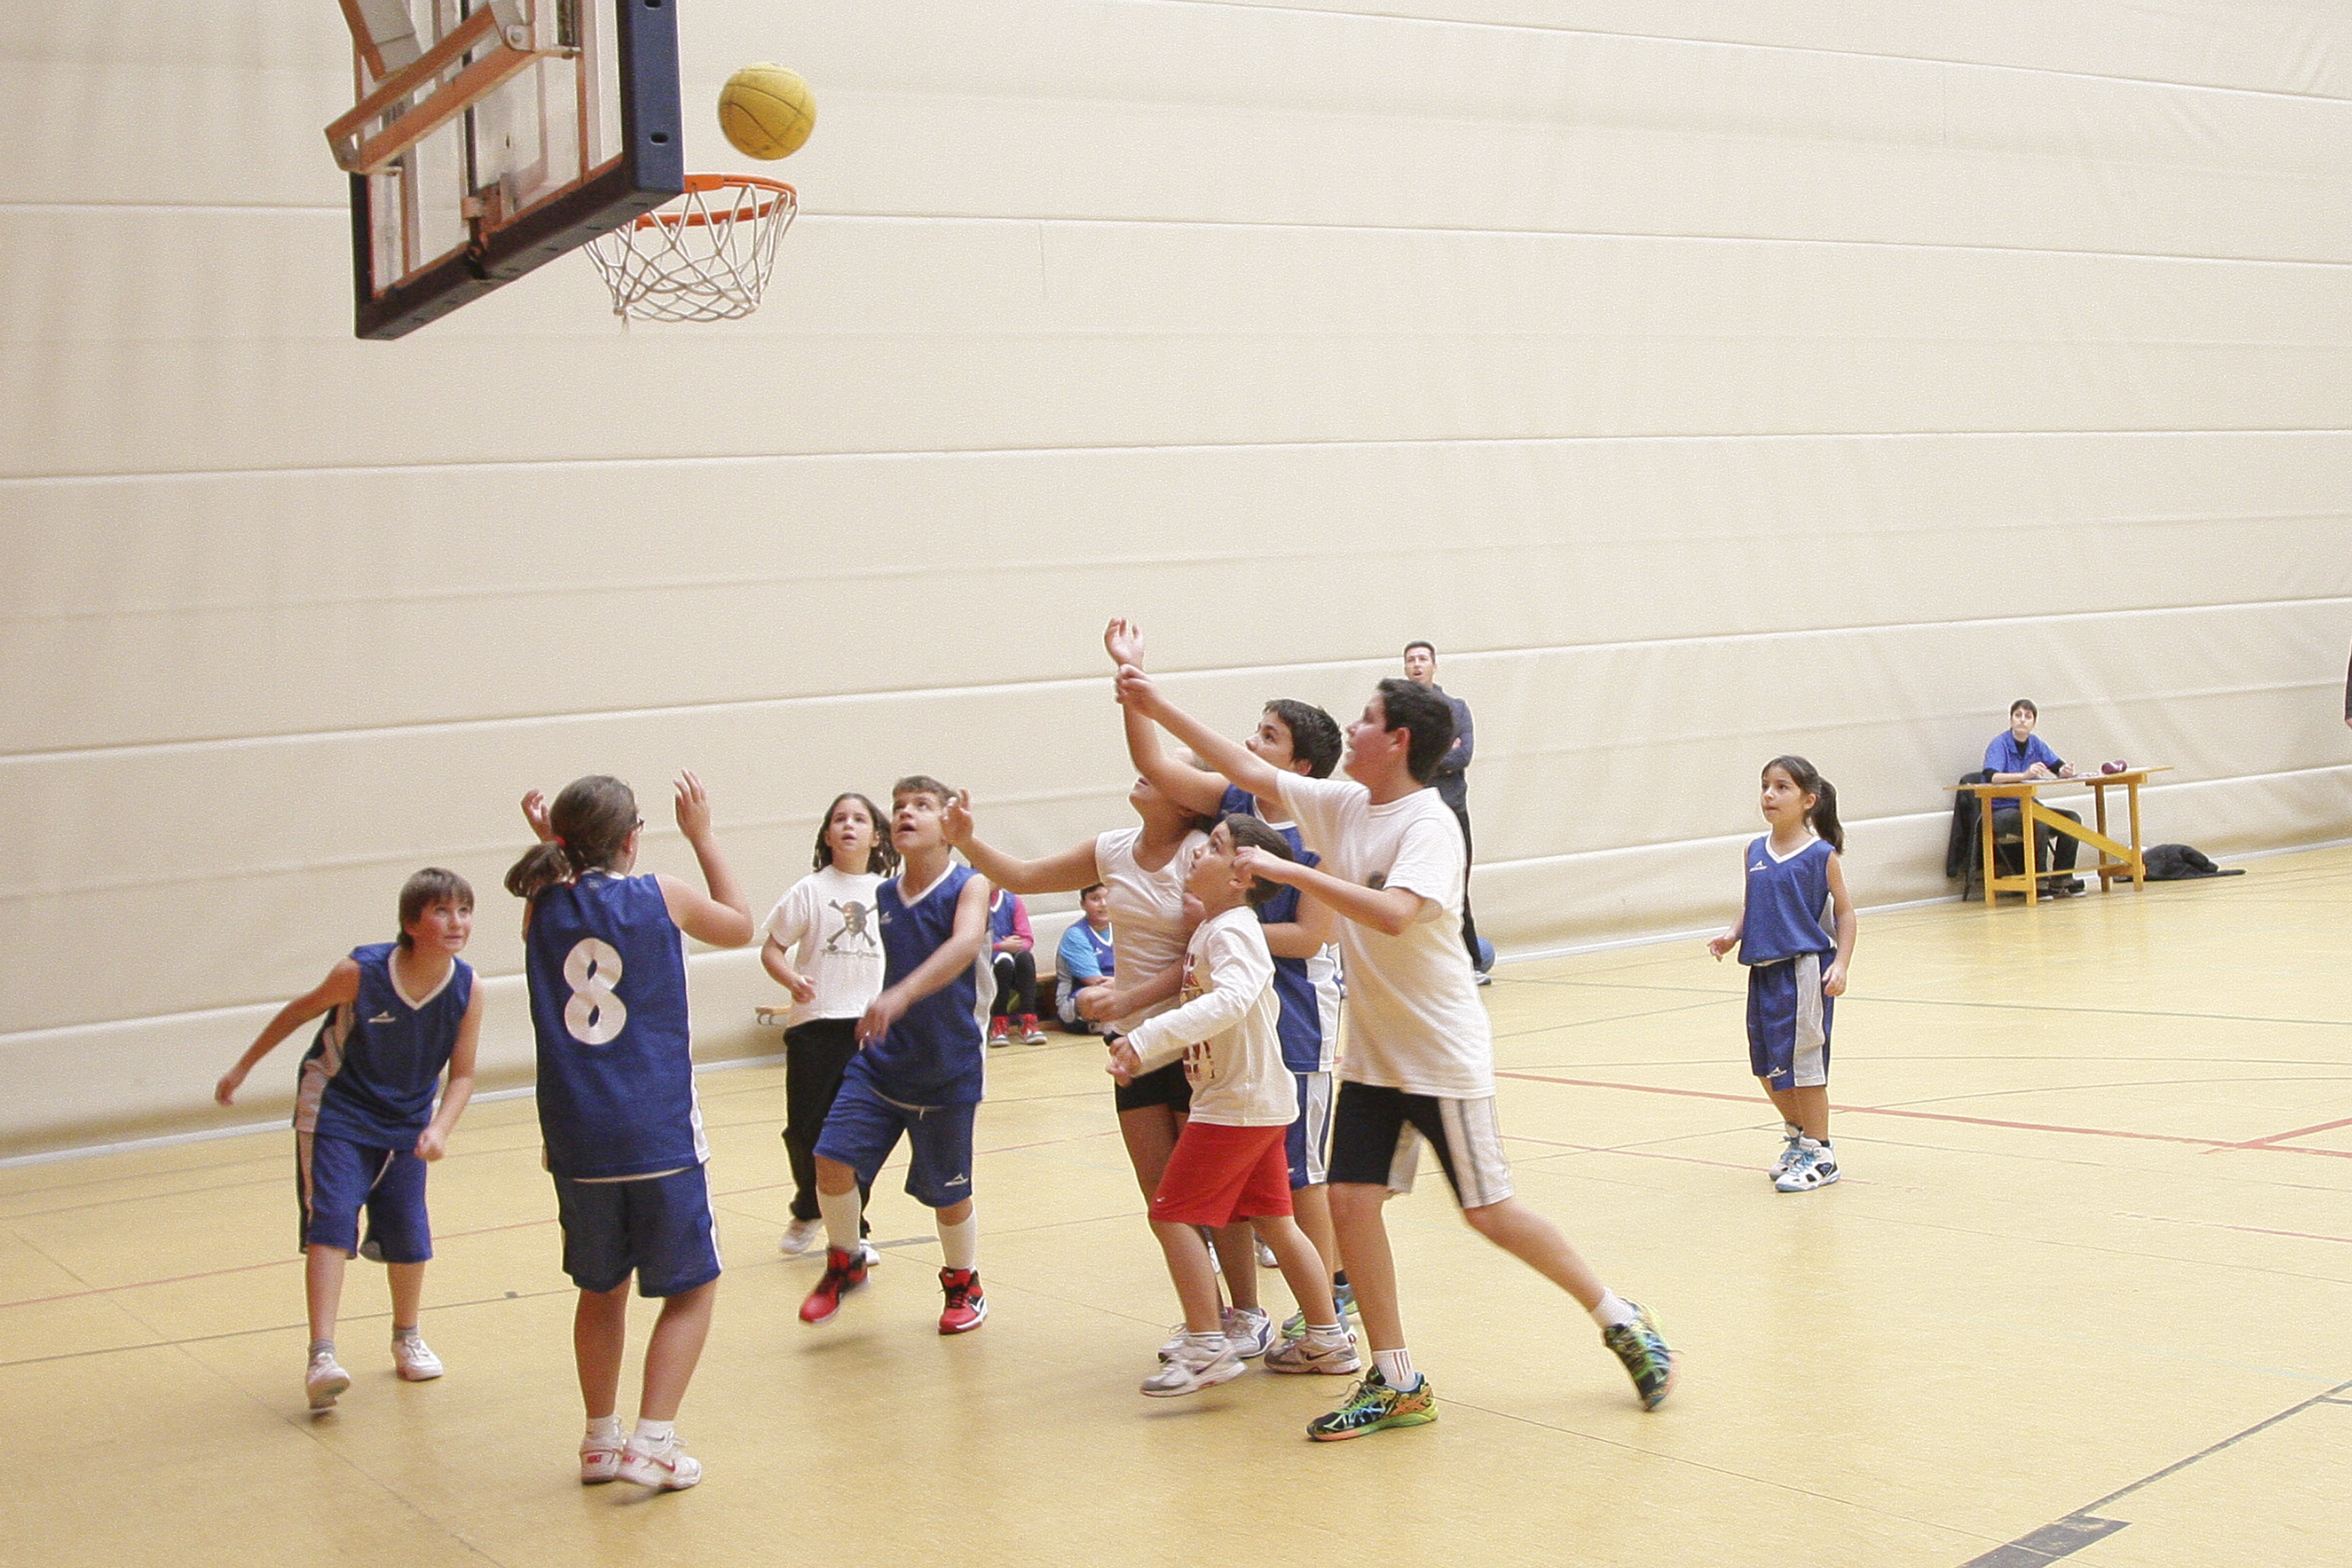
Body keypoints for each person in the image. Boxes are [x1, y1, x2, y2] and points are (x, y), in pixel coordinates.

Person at [1114, 651, 1676, 1439]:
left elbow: (1394, 913)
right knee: (1349, 1206)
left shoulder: (1429, 824)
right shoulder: (1344, 804)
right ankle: (1397, 1380)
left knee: (1490, 1212)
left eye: (1368, 719)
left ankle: (1621, 1318)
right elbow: (1245, 768)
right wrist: (1151, 696)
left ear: (1399, 740)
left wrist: (1288, 871)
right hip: (1377, 1055)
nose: (1353, 726)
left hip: (1442, 1054)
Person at [943, 776, 1279, 1352]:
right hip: (1132, 1042)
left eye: (1164, 770)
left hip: (1189, 1042)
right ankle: (1208, 1316)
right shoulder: (1113, 849)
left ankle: (1247, 1314)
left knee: (1209, 1198)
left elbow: (1201, 955)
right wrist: (968, 842)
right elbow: (1023, 876)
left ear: (1183, 798)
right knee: (1162, 1195)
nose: (1146, 773)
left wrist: (1128, 998)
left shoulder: (1202, 853)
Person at [1102, 619, 1351, 1337]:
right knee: (1262, 1184)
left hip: (1298, 1013)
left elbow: (1308, 936)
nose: (1251, 744)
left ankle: (1328, 1307)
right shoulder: (1233, 806)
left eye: (1268, 737)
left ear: (1300, 767)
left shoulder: (1320, 833)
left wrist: (1220, 929)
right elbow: (1151, 755)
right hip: (1232, 1014)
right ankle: (1267, 1313)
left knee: (1300, 1176)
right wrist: (1130, 678)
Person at [508, 772, 755, 1491]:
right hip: (655, 1129)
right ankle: (654, 1440)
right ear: (630, 838)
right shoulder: (661, 893)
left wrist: (549, 843)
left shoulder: (538, 908)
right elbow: (740, 923)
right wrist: (704, 834)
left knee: (601, 1288)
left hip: (577, 1137)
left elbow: (564, 888)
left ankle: (599, 1441)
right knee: (693, 1288)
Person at [1107, 815, 1359, 1396]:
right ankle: (1327, 1335)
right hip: (1255, 1100)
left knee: (1170, 1214)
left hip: (1236, 1104)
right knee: (1275, 1219)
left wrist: (1145, 1039)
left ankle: (1206, 1346)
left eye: (1215, 848)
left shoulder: (1233, 933)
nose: (1198, 854)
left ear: (1243, 875)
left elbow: (1234, 999)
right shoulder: (1215, 927)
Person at [214, 868, 483, 1413]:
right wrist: (242, 1069)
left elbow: (463, 1075)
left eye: (464, 911)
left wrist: (440, 1127)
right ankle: (322, 1355)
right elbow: (298, 1012)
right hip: (338, 1108)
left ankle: (406, 1336)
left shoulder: (467, 987)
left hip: (406, 1119)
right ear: (412, 923)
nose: (456, 922)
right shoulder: (360, 973)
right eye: (441, 911)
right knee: (333, 1218)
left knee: (409, 1232)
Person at [799, 776, 996, 1335]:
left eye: (922, 806)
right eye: (900, 806)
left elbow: (962, 947)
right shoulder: (884, 894)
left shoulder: (971, 885)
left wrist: (901, 994)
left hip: (947, 1066)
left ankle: (965, 1283)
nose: (906, 813)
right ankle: (847, 1259)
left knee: (947, 1194)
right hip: (884, 1059)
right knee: (832, 1158)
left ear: (948, 823)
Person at [1706, 757, 1858, 1192]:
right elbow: (1753, 902)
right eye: (1765, 786)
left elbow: (1846, 913)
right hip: (1762, 971)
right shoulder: (1754, 851)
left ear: (1808, 800)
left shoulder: (1820, 855)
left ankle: (1822, 1152)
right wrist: (1734, 933)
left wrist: (1842, 964)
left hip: (1804, 972)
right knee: (1767, 1067)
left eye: (1782, 787)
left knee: (1804, 1066)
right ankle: (1798, 1138)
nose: (1770, 795)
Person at [761, 791, 895, 1257]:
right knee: (805, 1130)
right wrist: (792, 978)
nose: (849, 826)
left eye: (860, 819)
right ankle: (808, 1207)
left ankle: (855, 1228)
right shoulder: (810, 890)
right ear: (827, 833)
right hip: (816, 1026)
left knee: (860, 1133)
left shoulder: (889, 893)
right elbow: (772, 949)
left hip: (870, 1028)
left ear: (877, 836)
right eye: (840, 819)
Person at [1404, 640, 1489, 981]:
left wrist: (1422, 759)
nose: (1417, 664)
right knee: (1408, 887)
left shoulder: (1456, 709)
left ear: (1434, 666)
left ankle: (1471, 963)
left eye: (1423, 659)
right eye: (1411, 660)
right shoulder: (1397, 713)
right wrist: (1438, 756)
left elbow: (1462, 756)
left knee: (1457, 888)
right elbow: (1398, 760)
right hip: (1411, 810)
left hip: (1452, 807)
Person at [1984, 699, 2083, 896]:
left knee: (2072, 819)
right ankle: (2039, 879)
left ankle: (2062, 878)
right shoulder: (1999, 744)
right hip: (2000, 810)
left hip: (2028, 806)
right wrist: (2024, 776)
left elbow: (2057, 766)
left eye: (2028, 717)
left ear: (2034, 722)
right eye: (2018, 715)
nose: (2022, 720)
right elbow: (1991, 776)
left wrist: (2066, 771)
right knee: (2039, 823)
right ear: (2011, 719)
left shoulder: (2035, 743)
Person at [986, 888, 1049, 1045]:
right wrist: (1001, 946)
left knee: (1025, 958)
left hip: (1010, 952)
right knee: (1004, 963)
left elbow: (1026, 938)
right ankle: (999, 1022)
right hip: (984, 958)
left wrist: (1016, 945)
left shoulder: (1012, 900)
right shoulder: (972, 900)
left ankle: (1029, 1021)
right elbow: (971, 941)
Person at [1054, 883, 1115, 1033]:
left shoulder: (1122, 928)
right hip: (1078, 1003)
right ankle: (1104, 1025)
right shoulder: (1076, 935)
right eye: (1095, 899)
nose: (1104, 904)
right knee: (1094, 996)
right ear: (1083, 904)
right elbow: (1096, 981)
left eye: (1107, 898)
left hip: (1119, 988)